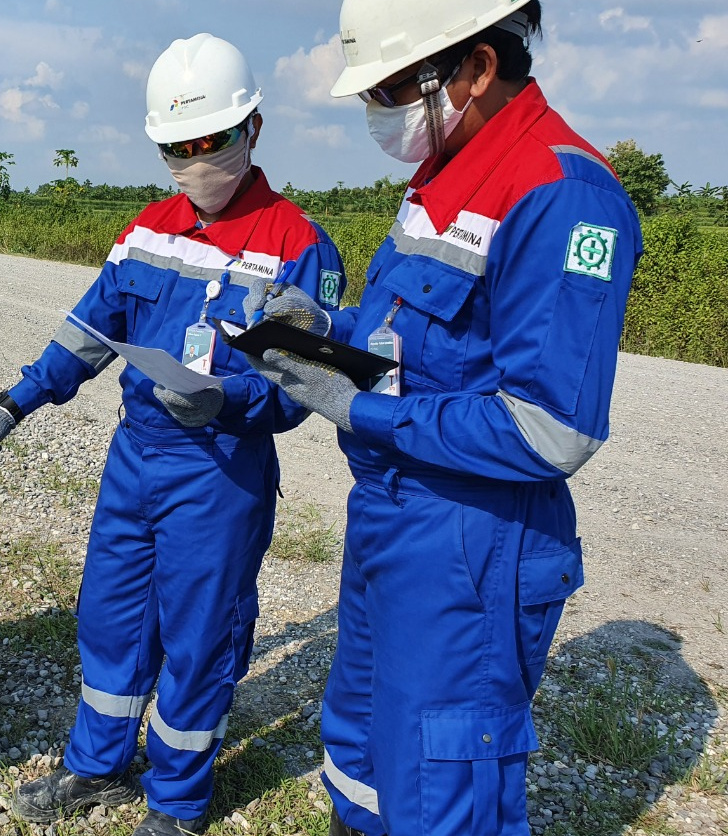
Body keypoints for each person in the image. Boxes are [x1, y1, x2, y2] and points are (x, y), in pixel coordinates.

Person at [248, 2, 642, 834]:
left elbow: (549, 429)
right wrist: (325, 333)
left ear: (477, 68)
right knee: (360, 748)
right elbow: (410, 339)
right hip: (392, 517)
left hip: (475, 544)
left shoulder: (562, 193)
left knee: (441, 786)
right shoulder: (443, 177)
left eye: (393, 87)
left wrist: (362, 410)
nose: (378, 111)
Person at [0, 33, 346, 836]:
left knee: (201, 634)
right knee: (111, 617)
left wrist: (232, 402)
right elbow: (88, 334)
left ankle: (178, 801)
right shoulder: (147, 232)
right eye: (176, 148)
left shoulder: (298, 247)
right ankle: (96, 767)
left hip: (220, 471)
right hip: (137, 459)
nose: (195, 161)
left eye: (210, 142)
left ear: (253, 129)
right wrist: (12, 405)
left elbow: (311, 386)